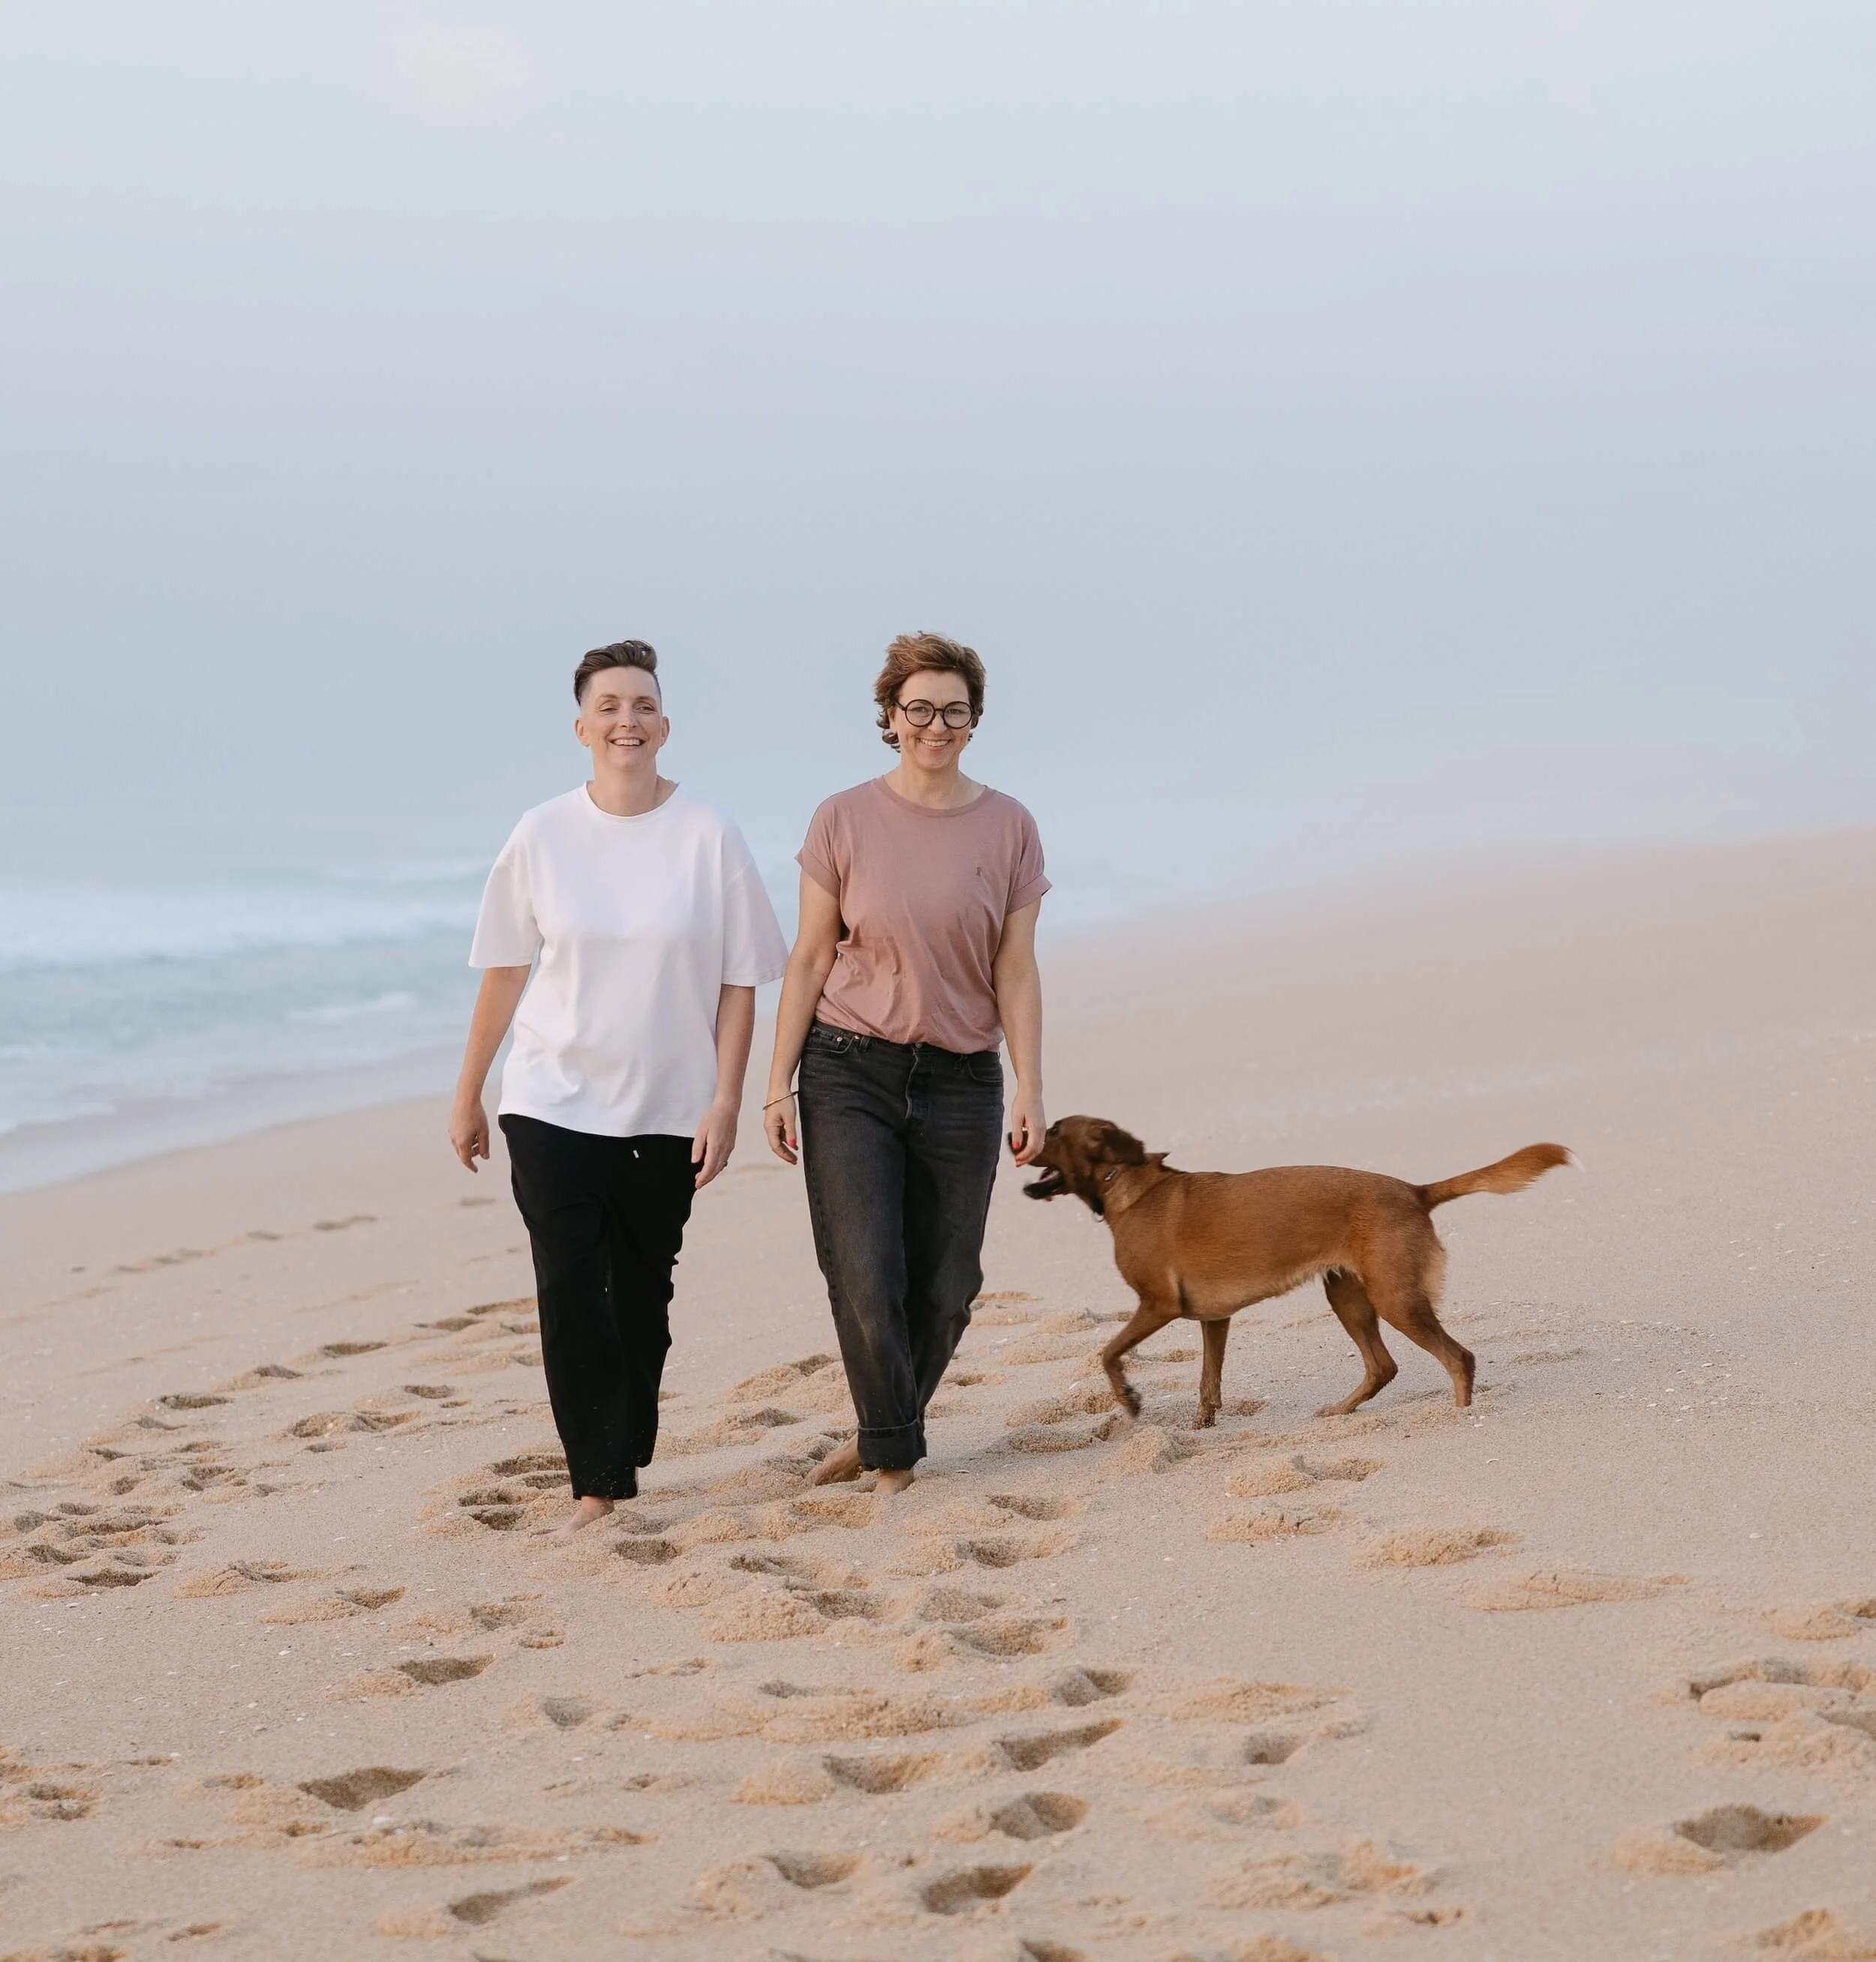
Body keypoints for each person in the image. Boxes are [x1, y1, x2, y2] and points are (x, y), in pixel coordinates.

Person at [451, 639, 786, 1537]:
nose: (625, 720)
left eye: (641, 705)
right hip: (549, 1099)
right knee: (571, 1288)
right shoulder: (541, 833)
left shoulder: (709, 834)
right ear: (581, 727)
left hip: (668, 1110)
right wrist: (469, 1090)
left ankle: (622, 1443)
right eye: (608, 705)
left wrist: (726, 1100)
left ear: (664, 726)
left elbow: (740, 982)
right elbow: (505, 972)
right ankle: (596, 1487)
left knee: (640, 1294)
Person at [764, 630, 1048, 1498]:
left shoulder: (1009, 825)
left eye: (954, 710)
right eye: (918, 708)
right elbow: (810, 956)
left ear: (975, 719)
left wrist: (1030, 1086)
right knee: (865, 1269)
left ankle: (881, 1429)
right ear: (889, 714)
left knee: (949, 1285)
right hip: (848, 1067)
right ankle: (893, 1458)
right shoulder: (842, 817)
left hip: (963, 1078)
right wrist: (776, 1084)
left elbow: (1014, 966)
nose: (935, 725)